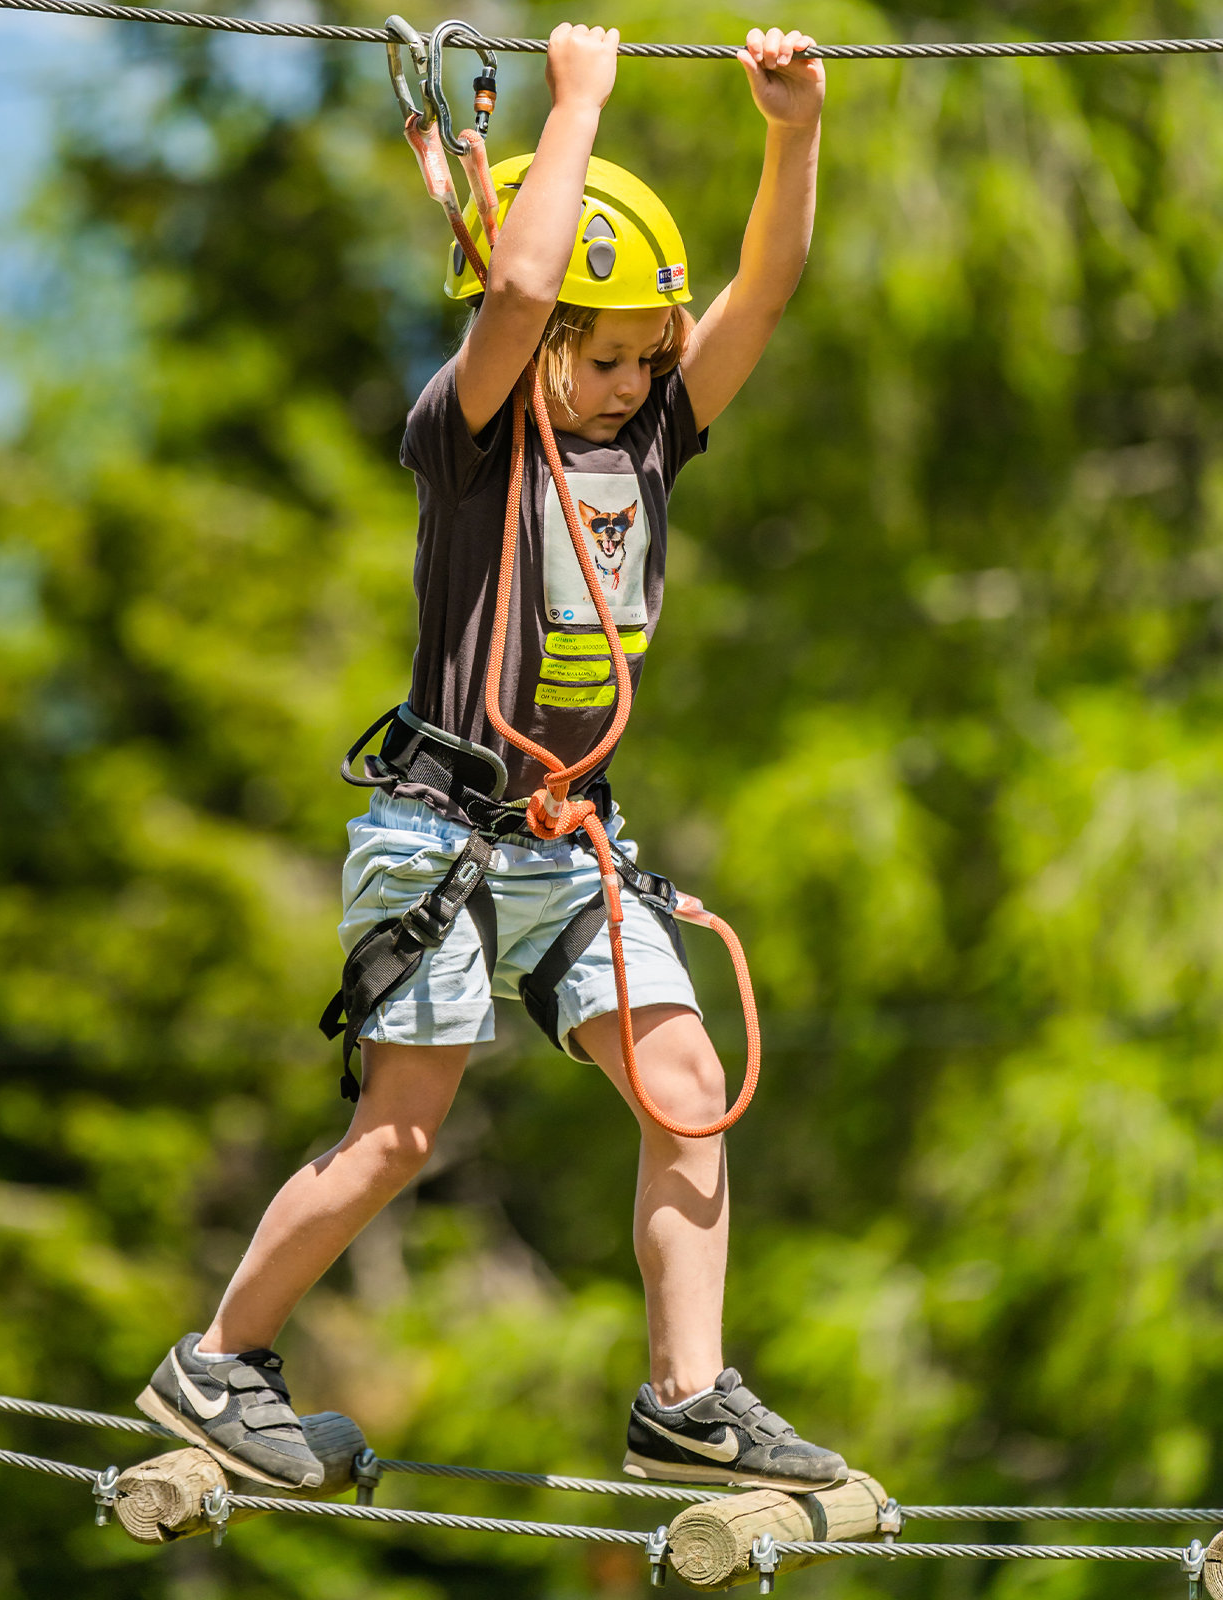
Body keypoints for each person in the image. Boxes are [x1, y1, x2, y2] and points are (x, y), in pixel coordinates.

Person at [138, 22, 843, 1494]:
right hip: (442, 838)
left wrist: (794, 133)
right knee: (399, 1134)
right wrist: (576, 102)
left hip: (573, 840)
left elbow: (767, 287)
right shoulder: (468, 444)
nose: (632, 381)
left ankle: (685, 1401)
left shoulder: (651, 441)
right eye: (605, 357)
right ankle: (219, 1361)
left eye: (649, 355)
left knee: (687, 1083)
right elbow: (520, 289)